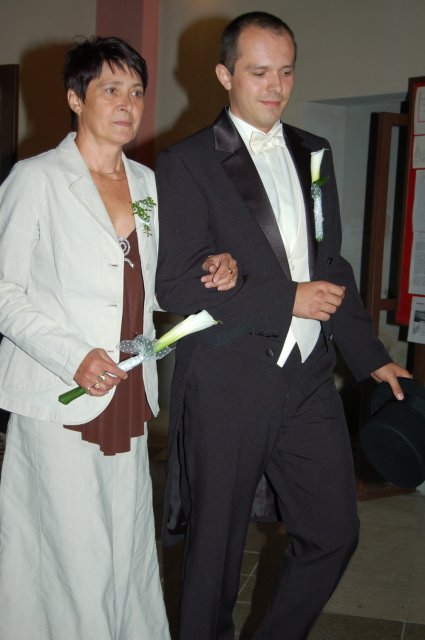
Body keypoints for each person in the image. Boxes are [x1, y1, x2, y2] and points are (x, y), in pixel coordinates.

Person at [155, 12, 411, 640]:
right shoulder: (187, 162)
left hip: (308, 377)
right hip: (228, 380)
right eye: (259, 72)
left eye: (286, 72)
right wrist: (286, 299)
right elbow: (177, 284)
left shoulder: (314, 153)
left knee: (333, 532)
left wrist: (369, 353)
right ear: (225, 75)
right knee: (214, 554)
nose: (275, 87)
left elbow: (331, 264)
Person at [0, 36, 237, 640]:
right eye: (111, 89)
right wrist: (72, 356)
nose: (128, 104)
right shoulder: (36, 179)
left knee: (126, 549)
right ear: (75, 98)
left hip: (130, 387)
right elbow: (4, 291)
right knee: (68, 551)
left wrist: (212, 269)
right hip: (61, 394)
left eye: (136, 91)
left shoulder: (147, 186)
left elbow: (154, 284)